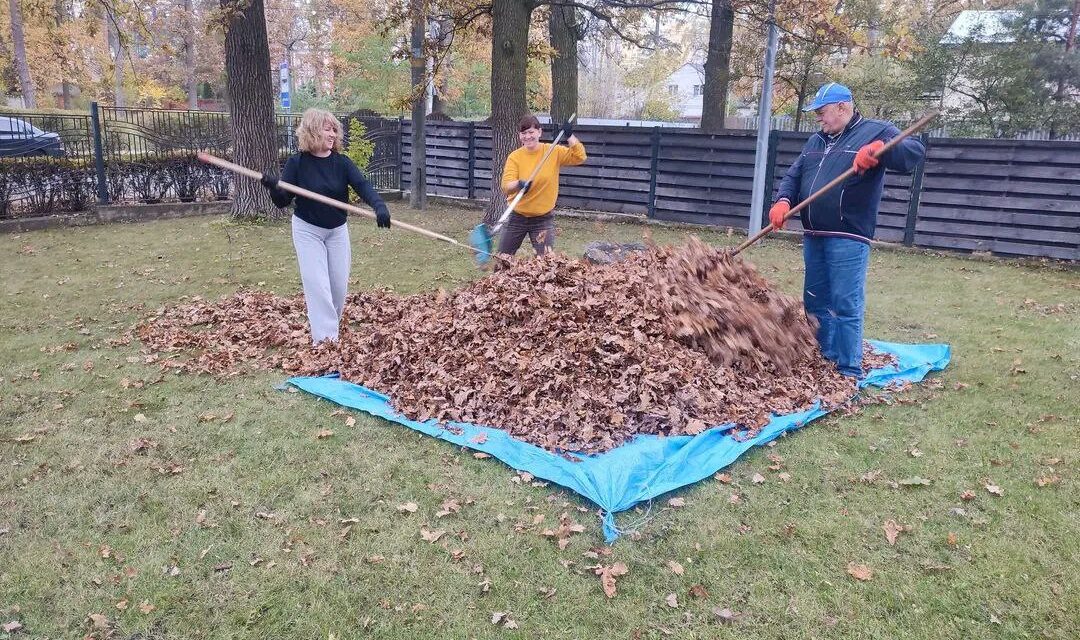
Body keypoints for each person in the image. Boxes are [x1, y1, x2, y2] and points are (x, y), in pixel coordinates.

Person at [768, 83, 925, 377]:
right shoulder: (815, 141)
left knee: (845, 303)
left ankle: (848, 368)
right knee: (815, 301)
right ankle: (823, 357)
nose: (818, 118)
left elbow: (913, 152)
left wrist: (879, 150)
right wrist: (783, 201)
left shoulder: (875, 131)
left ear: (842, 107)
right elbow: (794, 175)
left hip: (848, 235)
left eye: (822, 111)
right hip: (815, 234)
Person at [259, 108, 391, 344]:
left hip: (337, 230)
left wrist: (379, 206)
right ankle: (326, 342)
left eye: (334, 130)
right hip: (307, 230)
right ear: (312, 131)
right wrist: (274, 187)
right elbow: (282, 201)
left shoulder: (341, 163)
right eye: (327, 129)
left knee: (338, 288)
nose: (332, 134)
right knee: (318, 286)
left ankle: (331, 330)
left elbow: (362, 185)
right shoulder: (297, 163)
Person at [497, 114, 586, 259]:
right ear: (519, 136)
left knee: (545, 263)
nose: (527, 136)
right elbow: (506, 185)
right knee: (502, 259)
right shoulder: (515, 157)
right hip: (517, 217)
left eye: (531, 132)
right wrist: (519, 184)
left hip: (542, 220)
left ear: (539, 132)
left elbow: (580, 157)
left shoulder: (553, 152)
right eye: (523, 133)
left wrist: (570, 136)